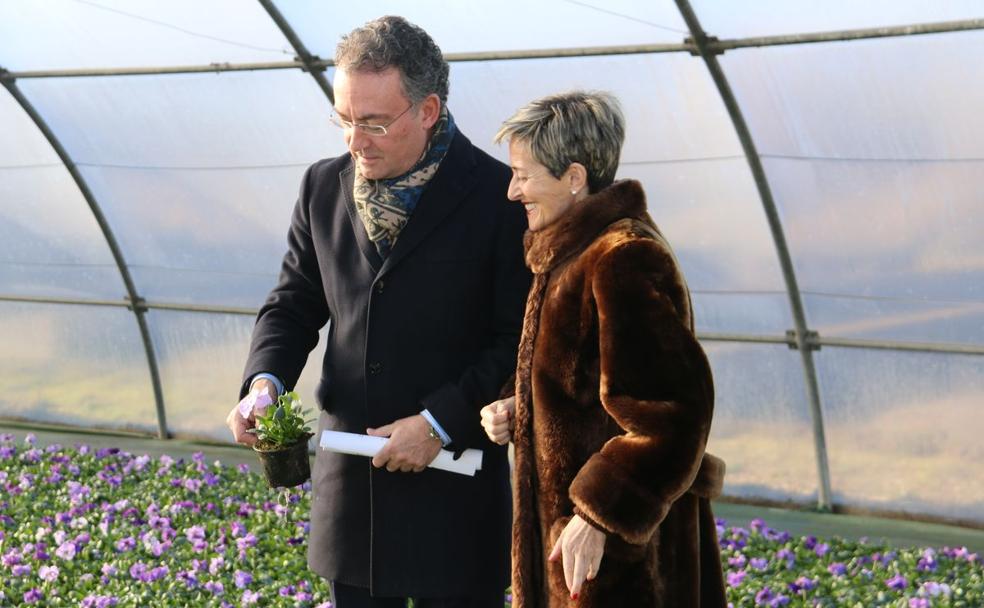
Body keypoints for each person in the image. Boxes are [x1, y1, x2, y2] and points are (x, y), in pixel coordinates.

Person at [226, 15, 530, 608]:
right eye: (344, 119)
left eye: (374, 123)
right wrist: (264, 382)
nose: (354, 140)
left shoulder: (502, 197)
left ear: (427, 110)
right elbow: (292, 305)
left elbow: (517, 337)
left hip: (456, 488)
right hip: (353, 498)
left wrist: (439, 423)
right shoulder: (322, 187)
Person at [480, 91, 727, 607]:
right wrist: (516, 404)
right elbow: (575, 380)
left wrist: (597, 513)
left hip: (624, 564)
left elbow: (673, 414)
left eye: (523, 175)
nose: (511, 191)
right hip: (582, 561)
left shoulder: (622, 258)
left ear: (573, 177)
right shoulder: (569, 254)